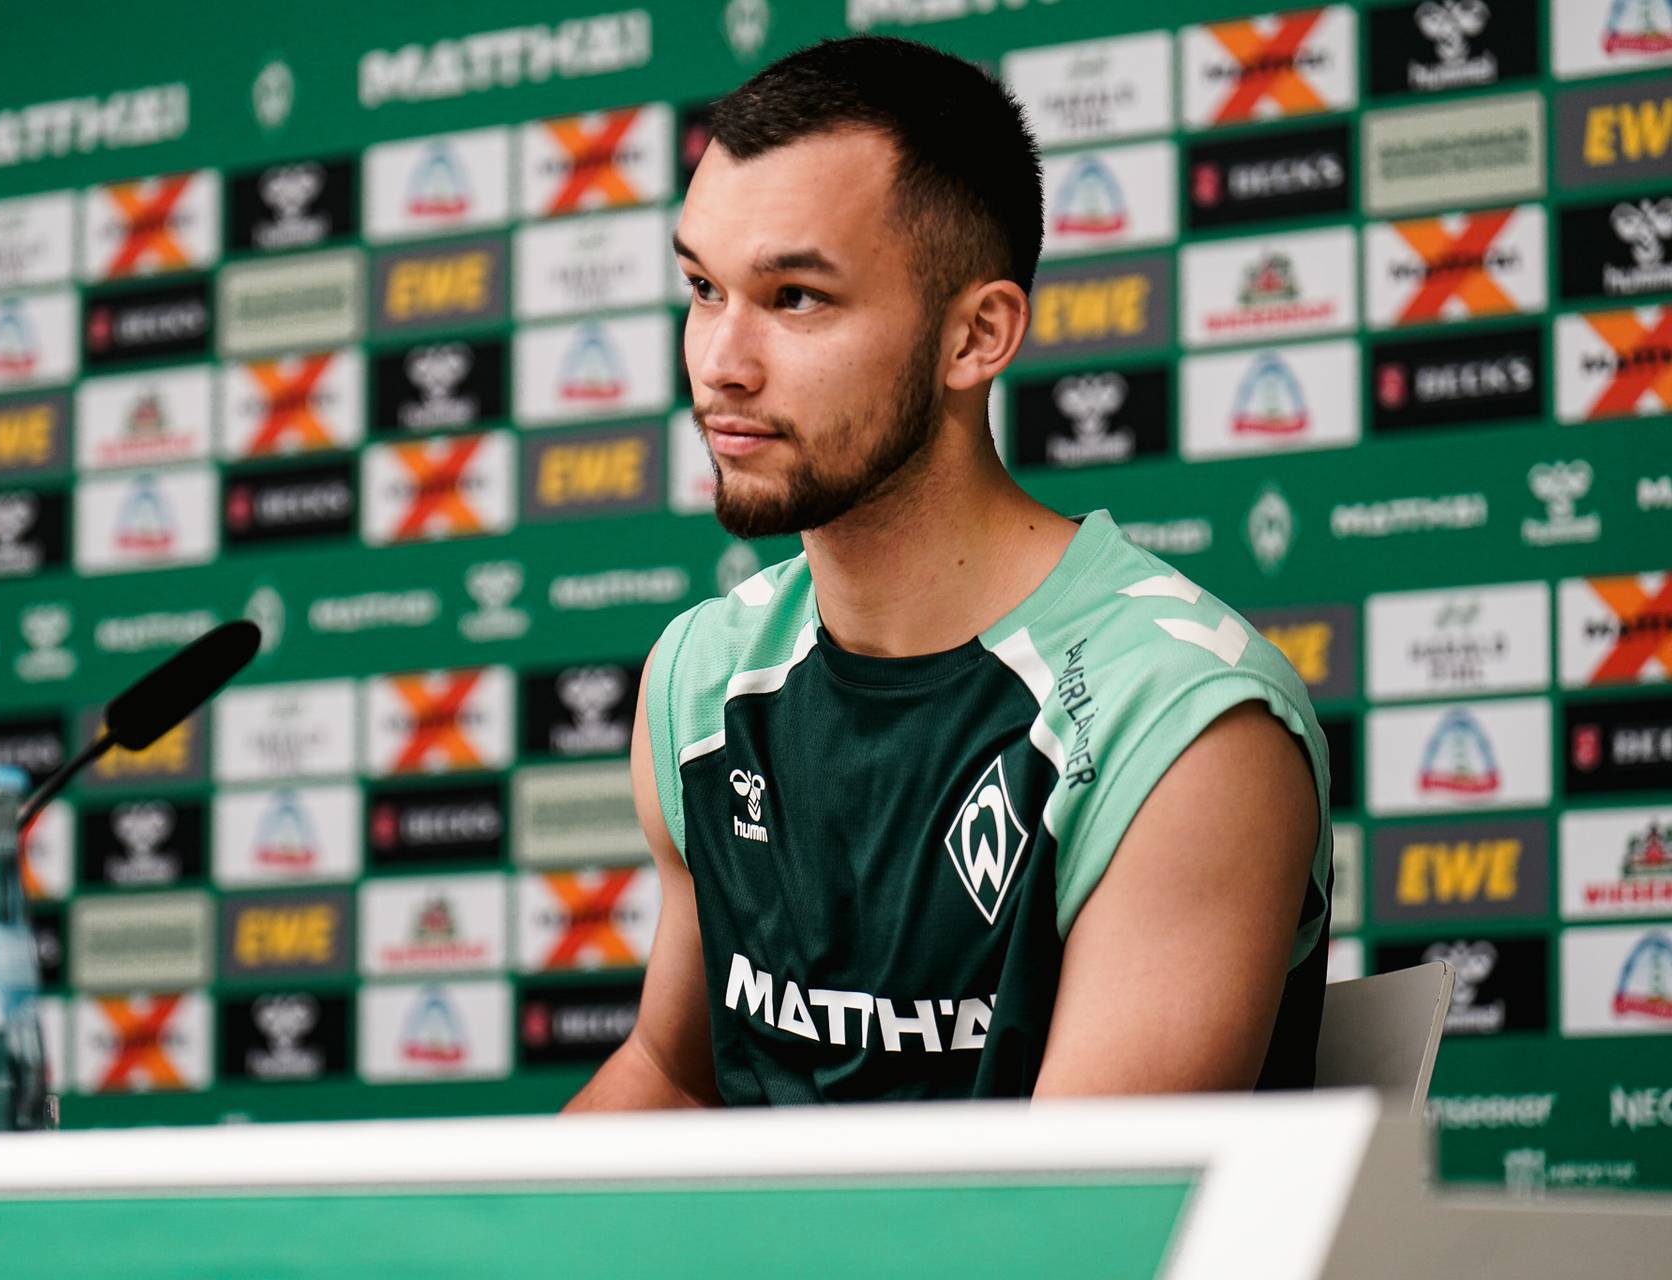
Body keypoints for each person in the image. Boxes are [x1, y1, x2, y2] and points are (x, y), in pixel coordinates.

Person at [565, 36, 1330, 1109]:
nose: (719, 362)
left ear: (977, 335)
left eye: (795, 298)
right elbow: (672, 1074)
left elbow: (1079, 1225)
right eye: (703, 288)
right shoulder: (702, 677)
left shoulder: (1181, 722)